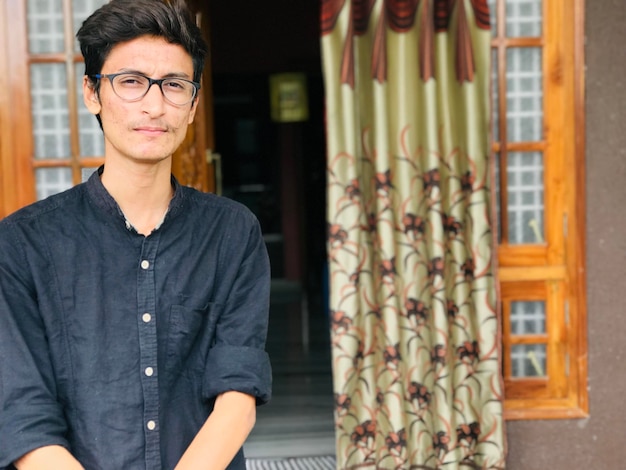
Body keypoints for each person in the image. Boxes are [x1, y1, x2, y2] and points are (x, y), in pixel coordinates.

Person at [0, 0, 272, 468]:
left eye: (174, 85)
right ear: (92, 93)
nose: (153, 105)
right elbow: (22, 413)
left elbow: (238, 393)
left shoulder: (231, 231)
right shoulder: (23, 243)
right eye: (130, 82)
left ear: (192, 104)